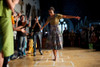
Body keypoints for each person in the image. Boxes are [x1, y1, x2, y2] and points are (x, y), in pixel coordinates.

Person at [0, 0, 19, 67]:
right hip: (4, 15)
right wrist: (15, 2)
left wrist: (13, 12)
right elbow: (11, 5)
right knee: (4, 47)